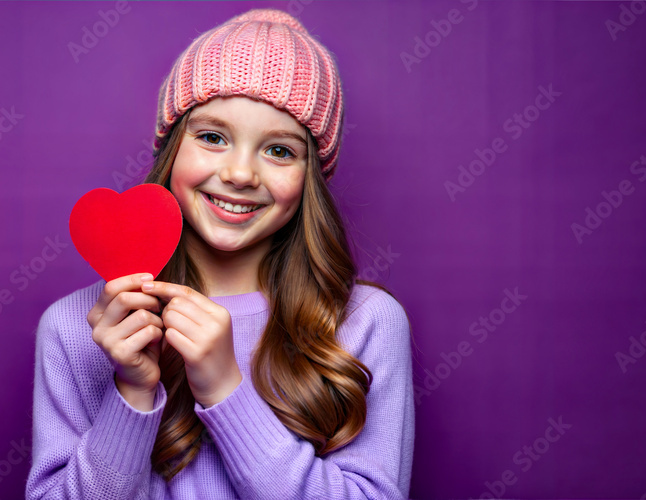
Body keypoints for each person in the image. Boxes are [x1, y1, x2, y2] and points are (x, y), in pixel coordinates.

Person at [27, 8, 414, 499]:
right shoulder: (75, 327)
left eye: (279, 150)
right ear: (171, 149)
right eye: (212, 137)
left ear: (310, 177)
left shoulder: (366, 324)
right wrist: (132, 393)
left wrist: (227, 391)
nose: (239, 173)